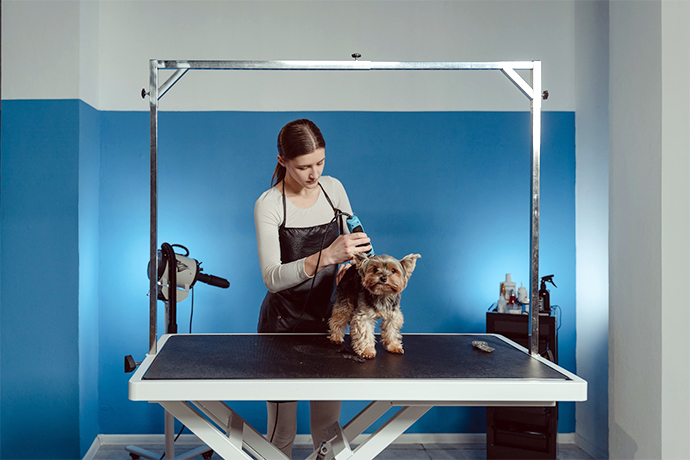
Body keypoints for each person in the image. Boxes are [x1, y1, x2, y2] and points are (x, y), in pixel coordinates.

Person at [254, 119, 371, 457]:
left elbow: (356, 243)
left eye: (320, 162)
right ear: (282, 161)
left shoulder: (334, 189)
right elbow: (272, 278)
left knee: (327, 435)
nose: (313, 173)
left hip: (328, 325)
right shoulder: (270, 204)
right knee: (281, 436)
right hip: (282, 329)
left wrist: (352, 264)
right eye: (304, 166)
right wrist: (328, 256)